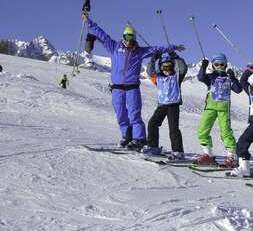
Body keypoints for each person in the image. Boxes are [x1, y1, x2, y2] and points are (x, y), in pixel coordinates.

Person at [83, 11, 184, 150]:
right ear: (123, 37)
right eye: (127, 38)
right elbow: (101, 34)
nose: (129, 41)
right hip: (117, 88)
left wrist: (172, 47)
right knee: (120, 114)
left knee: (134, 113)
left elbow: (156, 48)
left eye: (132, 38)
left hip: (132, 88)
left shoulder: (139, 51)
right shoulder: (114, 47)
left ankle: (139, 139)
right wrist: (88, 21)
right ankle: (127, 136)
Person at [193, 53, 242, 167]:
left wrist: (233, 77)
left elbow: (238, 89)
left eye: (222, 64)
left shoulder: (228, 78)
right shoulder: (211, 77)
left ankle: (231, 156)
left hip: (224, 110)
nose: (219, 66)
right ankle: (207, 155)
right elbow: (200, 77)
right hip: (210, 108)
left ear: (225, 65)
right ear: (213, 65)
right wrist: (203, 66)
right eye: (217, 64)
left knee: (226, 132)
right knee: (202, 130)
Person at [141, 53, 188, 160]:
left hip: (173, 105)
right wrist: (153, 59)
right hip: (162, 105)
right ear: (161, 67)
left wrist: (175, 57)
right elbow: (149, 71)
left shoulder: (176, 77)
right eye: (165, 67)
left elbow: (183, 68)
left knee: (173, 128)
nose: (167, 69)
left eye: (170, 67)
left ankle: (178, 152)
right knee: (152, 123)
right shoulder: (158, 78)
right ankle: (153, 146)